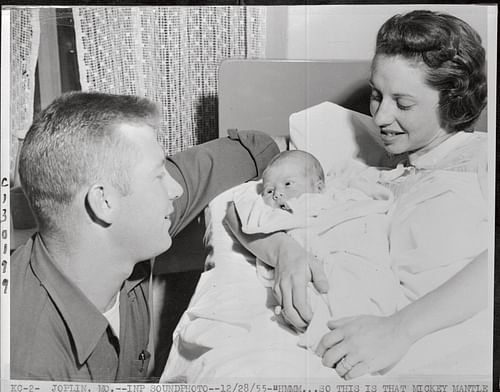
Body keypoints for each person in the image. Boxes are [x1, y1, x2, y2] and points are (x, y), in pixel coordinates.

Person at [225, 9, 488, 379]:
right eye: (377, 96)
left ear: (453, 101)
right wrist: (286, 252)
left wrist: (401, 328)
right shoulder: (373, 174)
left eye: (404, 103)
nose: (380, 117)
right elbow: (239, 211)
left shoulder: (482, 158)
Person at [10, 91, 280, 382]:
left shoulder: (121, 225)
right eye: (157, 175)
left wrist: (277, 245)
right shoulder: (31, 364)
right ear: (104, 202)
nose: (176, 189)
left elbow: (257, 149)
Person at [232, 150, 401, 351]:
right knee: (307, 296)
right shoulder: (277, 215)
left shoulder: (338, 197)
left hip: (350, 250)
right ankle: (322, 319)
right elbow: (241, 208)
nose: (278, 193)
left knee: (364, 284)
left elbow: (366, 208)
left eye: (288, 184)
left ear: (319, 186)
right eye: (269, 190)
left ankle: (359, 317)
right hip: (313, 262)